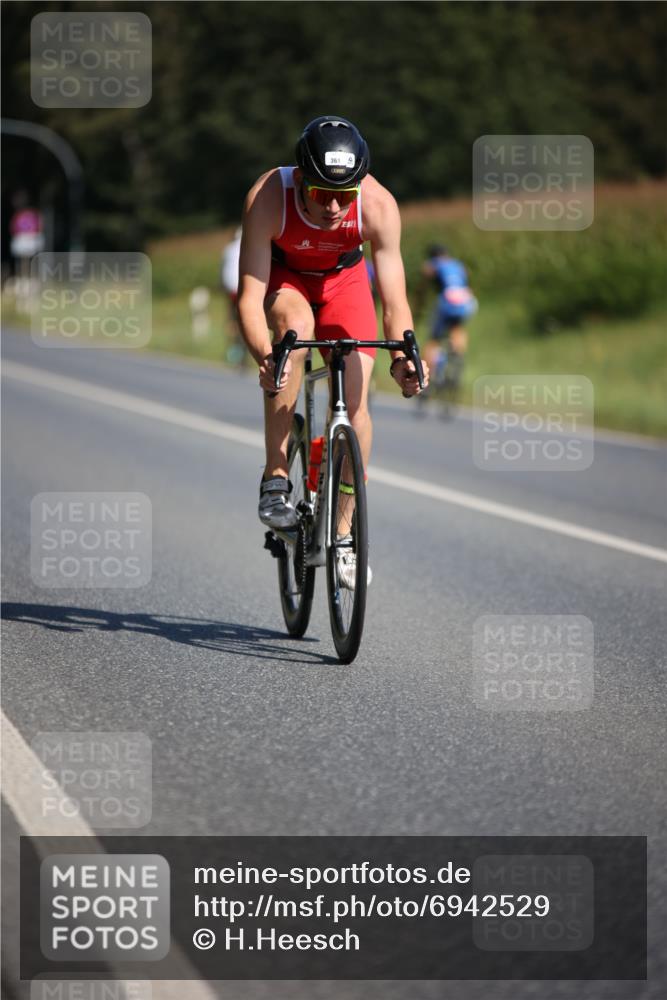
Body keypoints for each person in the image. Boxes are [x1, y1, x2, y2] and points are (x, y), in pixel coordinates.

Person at [237, 115, 428, 585]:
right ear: (301, 180)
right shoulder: (268, 197)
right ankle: (277, 475)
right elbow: (248, 294)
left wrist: (403, 359)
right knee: (295, 334)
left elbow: (394, 302)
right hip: (288, 279)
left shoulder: (378, 205)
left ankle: (342, 535)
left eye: (345, 196)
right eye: (323, 194)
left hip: (344, 282)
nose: (335, 208)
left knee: (357, 399)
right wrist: (266, 354)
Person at [417, 244, 477, 408]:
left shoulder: (433, 264)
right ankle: (457, 354)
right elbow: (467, 282)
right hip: (466, 301)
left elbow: (423, 286)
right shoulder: (459, 265)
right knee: (457, 327)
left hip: (447, 301)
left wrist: (418, 305)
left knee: (434, 339)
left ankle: (428, 380)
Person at [220, 226, 247, 366]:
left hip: (231, 289)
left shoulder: (229, 249)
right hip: (245, 288)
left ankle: (234, 347)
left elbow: (223, 270)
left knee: (232, 319)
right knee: (246, 318)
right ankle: (243, 346)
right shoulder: (251, 247)